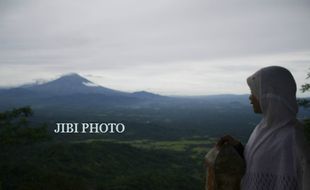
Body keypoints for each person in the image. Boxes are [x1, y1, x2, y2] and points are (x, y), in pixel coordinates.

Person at [218, 66, 310, 190]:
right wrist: (238, 148)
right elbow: (259, 160)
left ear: (269, 96)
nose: (250, 98)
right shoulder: (262, 129)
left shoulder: (295, 137)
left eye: (254, 93)